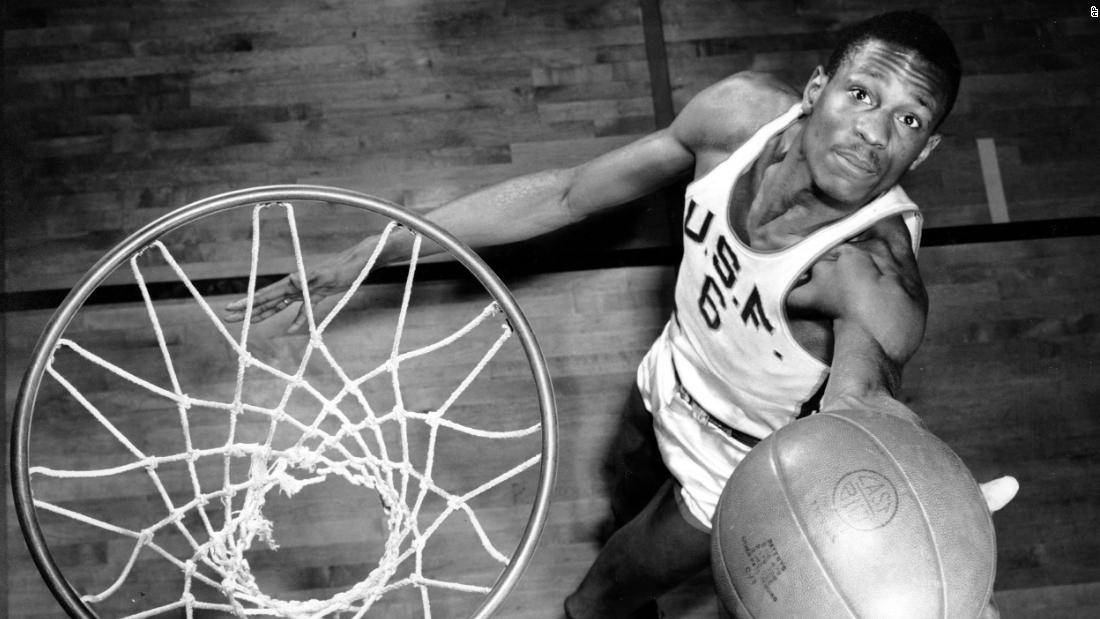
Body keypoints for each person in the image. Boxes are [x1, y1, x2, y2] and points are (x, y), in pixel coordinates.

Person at [225, 11, 1017, 617]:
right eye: (861, 94)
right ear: (816, 90)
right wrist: (387, 245)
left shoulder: (871, 275)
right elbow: (568, 193)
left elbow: (865, 402)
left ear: (927, 151)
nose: (875, 131)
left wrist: (929, 526)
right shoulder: (737, 117)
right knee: (621, 482)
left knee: (598, 596)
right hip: (673, 368)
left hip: (738, 465)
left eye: (909, 121)